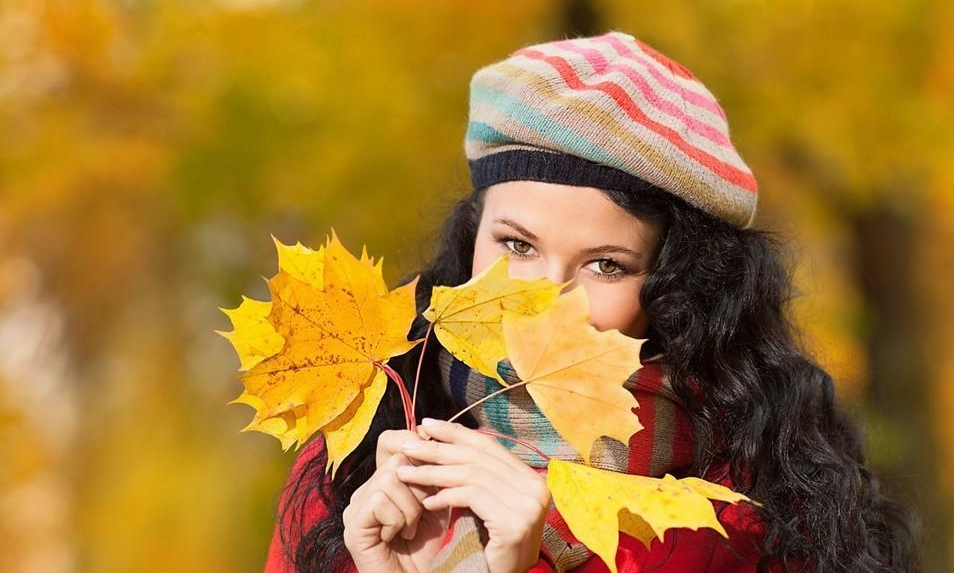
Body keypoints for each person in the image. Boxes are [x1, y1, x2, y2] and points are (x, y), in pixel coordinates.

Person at [263, 31, 919, 572]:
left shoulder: (747, 513)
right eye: (517, 245)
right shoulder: (354, 468)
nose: (543, 302)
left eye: (606, 265)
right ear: (471, 237)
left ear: (678, 286)